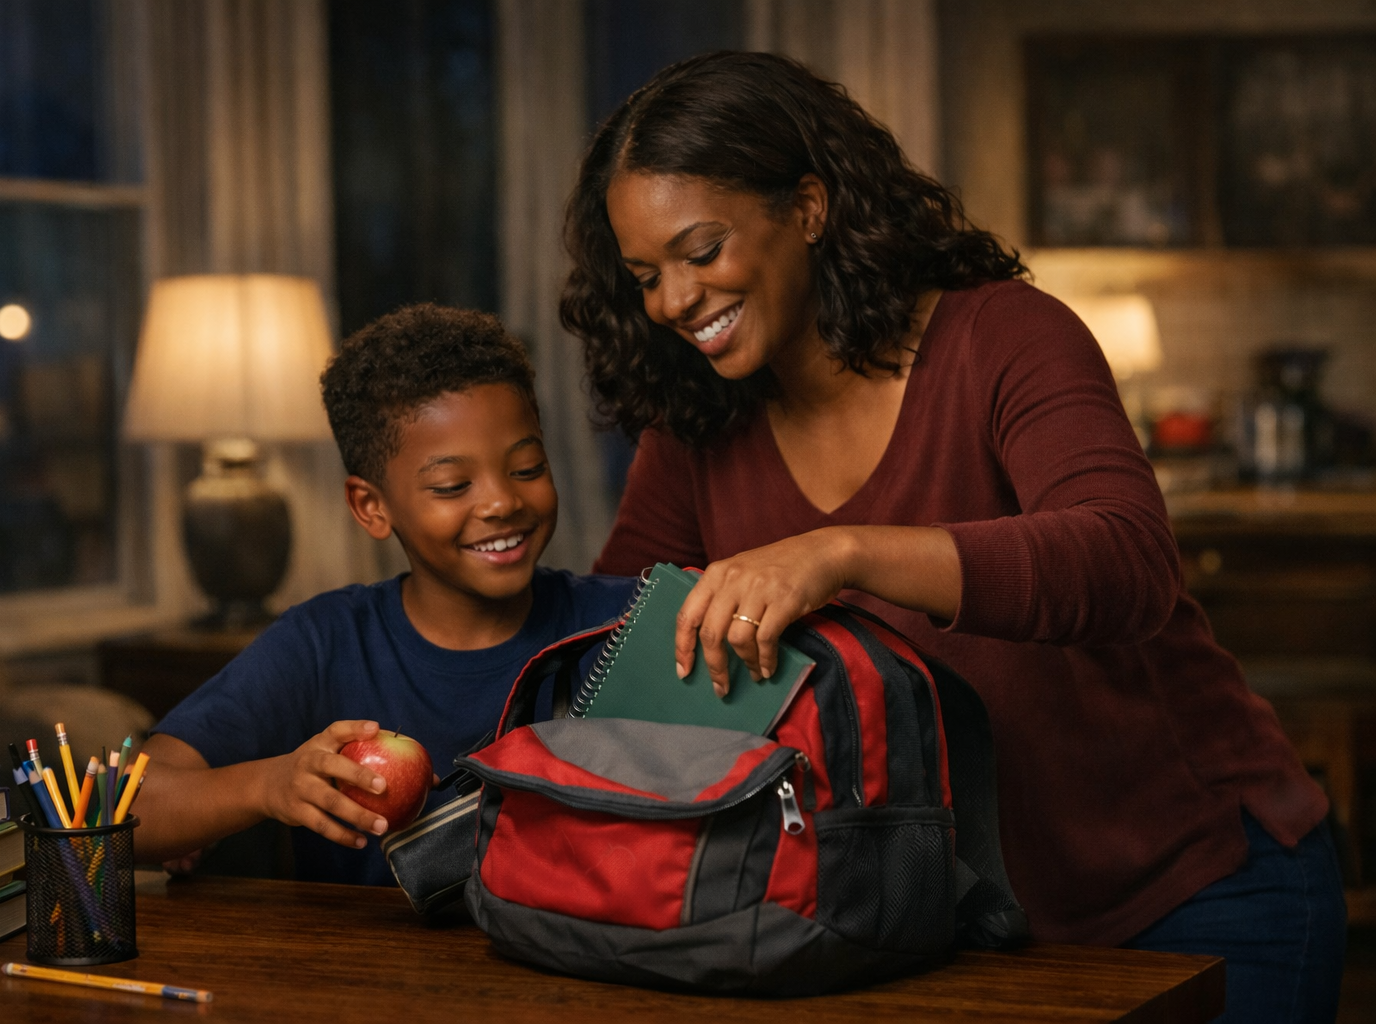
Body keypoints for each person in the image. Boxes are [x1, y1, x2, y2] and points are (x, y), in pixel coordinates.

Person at [563, 51, 1342, 1020]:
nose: (673, 300)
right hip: (939, 935)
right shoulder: (693, 427)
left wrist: (841, 550)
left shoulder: (1005, 337)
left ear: (807, 207)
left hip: (1197, 892)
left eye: (700, 250)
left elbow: (1126, 556)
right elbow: (619, 660)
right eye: (645, 275)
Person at [133, 304, 635, 884]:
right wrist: (268, 785)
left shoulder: (625, 623)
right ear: (372, 507)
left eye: (527, 468)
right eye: (453, 485)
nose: (502, 502)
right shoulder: (324, 642)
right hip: (365, 970)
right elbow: (132, 807)